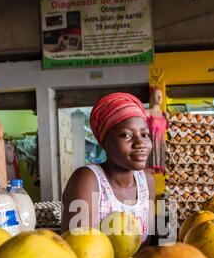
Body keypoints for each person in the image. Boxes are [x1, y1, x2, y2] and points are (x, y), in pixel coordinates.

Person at [61, 92, 155, 243]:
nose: (140, 143)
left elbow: (145, 245)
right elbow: (76, 249)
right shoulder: (87, 180)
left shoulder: (147, 182)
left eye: (145, 135)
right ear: (104, 142)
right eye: (126, 135)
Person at [146, 87, 168, 172]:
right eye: (157, 95)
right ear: (152, 96)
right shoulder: (147, 113)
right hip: (151, 144)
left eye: (161, 96)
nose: (159, 97)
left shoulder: (164, 114)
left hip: (161, 144)